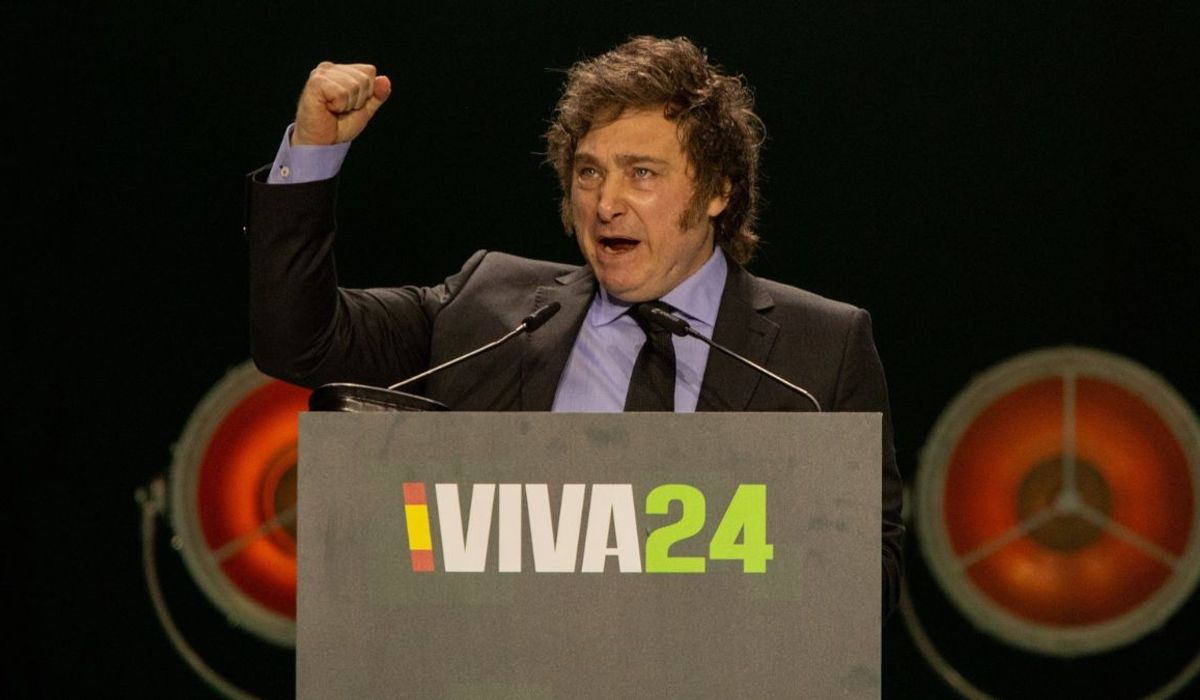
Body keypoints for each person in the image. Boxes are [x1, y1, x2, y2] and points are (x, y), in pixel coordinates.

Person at [244, 35, 904, 619]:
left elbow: (868, 580)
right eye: (589, 172)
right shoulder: (490, 306)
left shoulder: (821, 348)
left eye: (641, 173)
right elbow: (299, 340)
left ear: (717, 191)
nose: (606, 203)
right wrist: (314, 153)